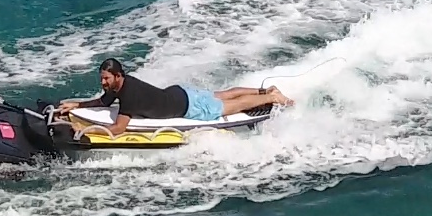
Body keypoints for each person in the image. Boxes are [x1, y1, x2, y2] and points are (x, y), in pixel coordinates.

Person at [51, 58, 291, 137]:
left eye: (106, 79)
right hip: (180, 92)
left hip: (186, 105)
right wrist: (78, 105)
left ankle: (273, 98)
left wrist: (80, 128)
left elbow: (118, 129)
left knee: (230, 105)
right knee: (222, 94)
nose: (103, 83)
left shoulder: (129, 95)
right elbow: (103, 101)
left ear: (117, 76)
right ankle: (265, 90)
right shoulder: (121, 86)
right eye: (101, 79)